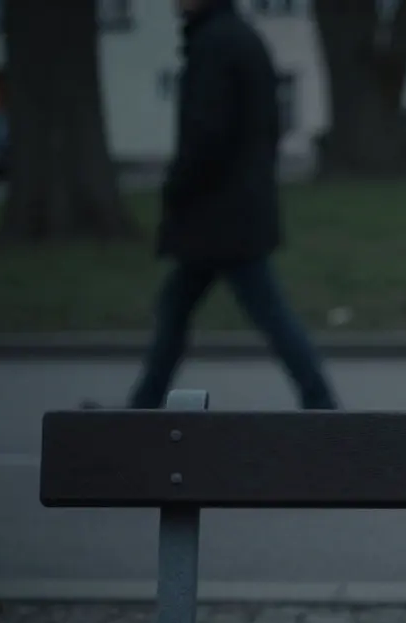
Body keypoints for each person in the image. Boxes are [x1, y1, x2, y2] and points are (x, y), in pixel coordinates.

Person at [125, 0, 337, 410]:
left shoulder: (215, 45)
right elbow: (266, 127)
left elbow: (205, 134)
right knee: (182, 308)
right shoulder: (241, 39)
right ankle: (143, 405)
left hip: (217, 215)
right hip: (233, 210)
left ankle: (321, 402)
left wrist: (176, 187)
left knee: (260, 312)